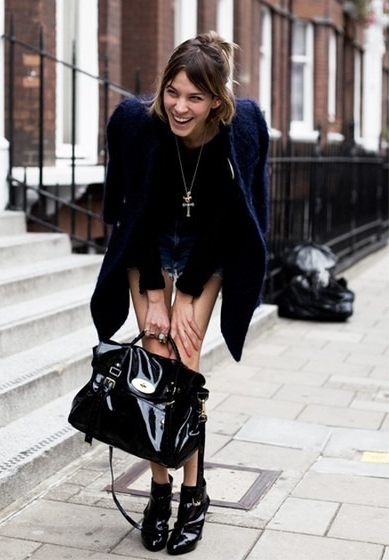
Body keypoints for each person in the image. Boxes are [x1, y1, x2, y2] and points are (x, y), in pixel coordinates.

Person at [90, 31, 269, 555]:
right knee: (154, 365)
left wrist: (188, 290)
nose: (180, 107)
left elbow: (230, 217)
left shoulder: (240, 130)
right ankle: (158, 492)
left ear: (217, 100)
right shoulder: (137, 124)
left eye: (195, 97)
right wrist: (151, 292)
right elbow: (134, 210)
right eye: (172, 91)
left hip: (205, 249)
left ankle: (195, 494)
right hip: (149, 243)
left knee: (185, 365)